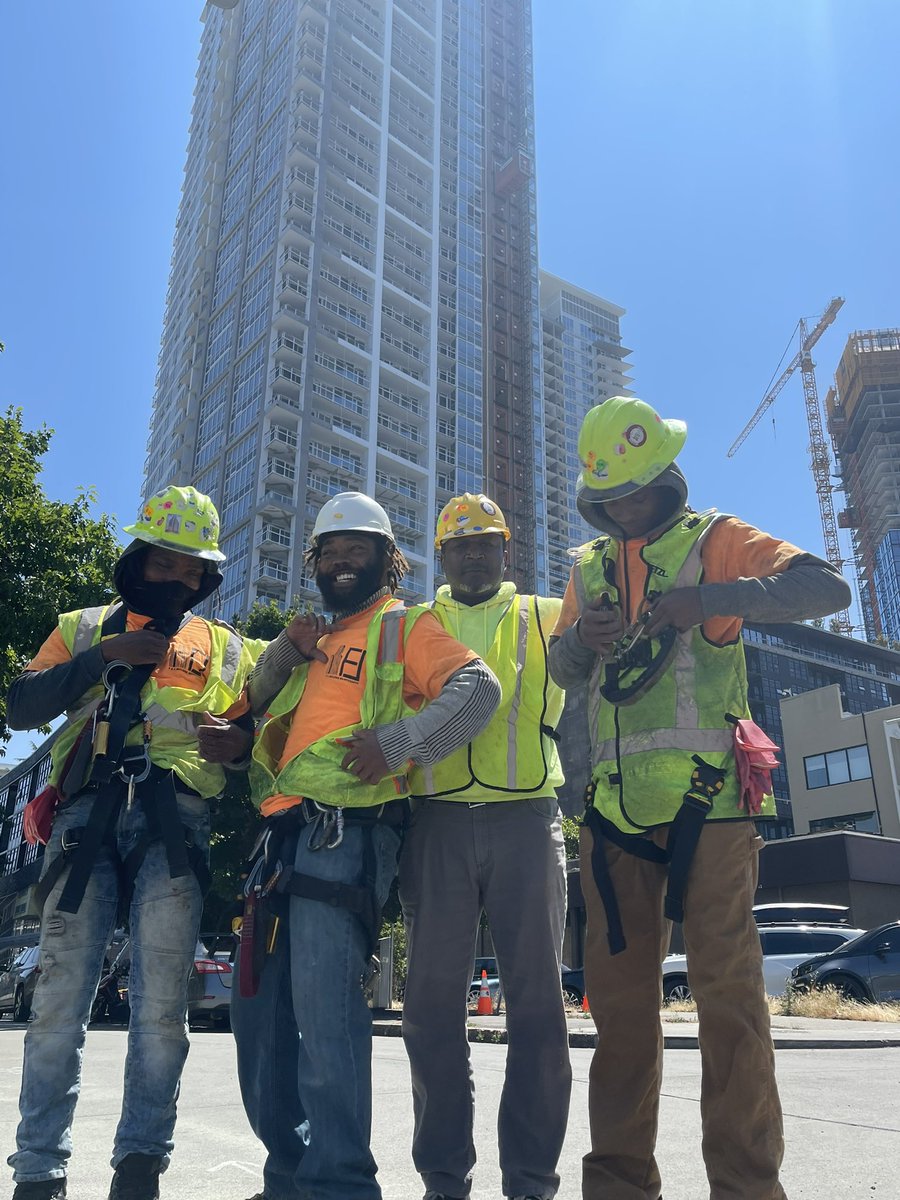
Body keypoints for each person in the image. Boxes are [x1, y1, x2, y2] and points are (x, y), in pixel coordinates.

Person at [547, 397, 852, 1200]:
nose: (624, 506)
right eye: (610, 494)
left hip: (710, 809)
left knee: (730, 1003)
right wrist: (581, 639)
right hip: (614, 817)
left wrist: (711, 601)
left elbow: (826, 589)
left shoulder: (714, 540)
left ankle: (747, 1188)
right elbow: (561, 670)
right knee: (620, 1016)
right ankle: (618, 1187)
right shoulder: (587, 568)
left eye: (636, 489)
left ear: (666, 476)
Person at [230, 492, 501, 1200]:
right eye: (331, 552)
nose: (343, 561)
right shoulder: (311, 640)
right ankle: (289, 1179)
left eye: (359, 549)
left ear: (387, 560)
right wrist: (284, 652)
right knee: (261, 1022)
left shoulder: (403, 626)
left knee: (325, 1017)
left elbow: (479, 689)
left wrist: (399, 743)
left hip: (345, 835)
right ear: (315, 563)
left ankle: (341, 1184)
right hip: (280, 839)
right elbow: (246, 707)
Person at [6, 485, 261, 1200]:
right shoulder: (83, 626)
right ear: (138, 558)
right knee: (59, 999)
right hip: (84, 816)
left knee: (161, 1006)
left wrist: (240, 743)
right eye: (165, 562)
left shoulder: (225, 647)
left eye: (192, 568)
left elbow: (253, 737)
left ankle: (141, 1164)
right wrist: (103, 657)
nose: (178, 577)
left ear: (207, 576)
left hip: (174, 819)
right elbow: (21, 704)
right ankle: (39, 1170)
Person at [399, 492, 571, 1200]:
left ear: (508, 549)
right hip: (434, 820)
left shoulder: (547, 615)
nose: (473, 554)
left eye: (486, 543)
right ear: (441, 555)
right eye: (460, 545)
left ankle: (530, 1181)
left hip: (527, 817)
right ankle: (444, 1178)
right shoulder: (410, 625)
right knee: (430, 1011)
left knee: (539, 1009)